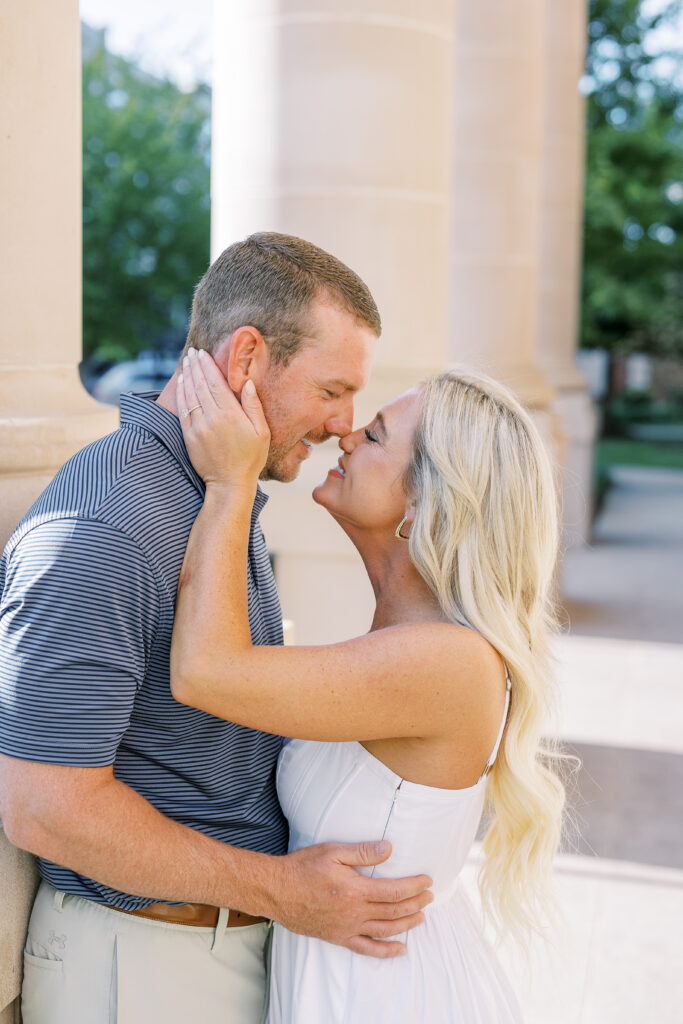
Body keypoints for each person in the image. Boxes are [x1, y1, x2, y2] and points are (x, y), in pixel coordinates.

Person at [0, 233, 433, 1024]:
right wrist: (281, 891)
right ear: (246, 359)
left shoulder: (209, 491)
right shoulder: (109, 526)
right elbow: (43, 805)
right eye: (333, 389)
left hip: (209, 951)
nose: (345, 425)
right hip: (142, 968)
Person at [169, 349, 568, 1023]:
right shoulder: (404, 642)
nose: (347, 433)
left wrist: (231, 483)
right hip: (344, 973)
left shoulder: (446, 662)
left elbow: (204, 672)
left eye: (376, 433)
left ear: (422, 498)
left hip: (378, 994)